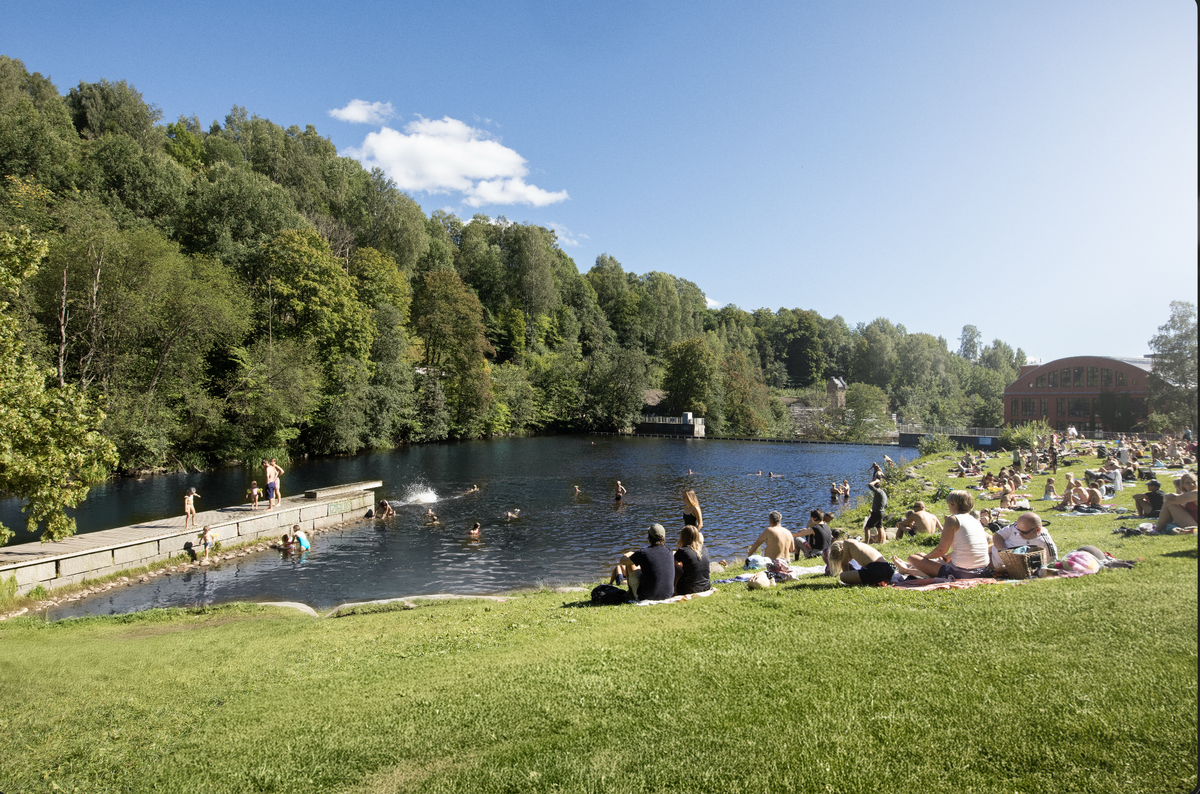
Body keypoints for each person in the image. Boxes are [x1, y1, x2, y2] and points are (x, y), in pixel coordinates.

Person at [892, 490, 990, 580]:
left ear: (955, 505)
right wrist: (945, 557)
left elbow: (941, 549)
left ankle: (905, 570)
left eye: (948, 504)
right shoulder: (974, 520)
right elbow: (970, 545)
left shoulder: (953, 520)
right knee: (921, 556)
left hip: (962, 572)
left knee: (913, 558)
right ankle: (908, 565)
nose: (948, 506)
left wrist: (926, 558)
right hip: (983, 570)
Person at [618, 524, 675, 602]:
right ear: (663, 538)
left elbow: (623, 561)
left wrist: (628, 554)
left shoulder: (643, 553)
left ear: (649, 538)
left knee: (630, 565)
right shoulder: (670, 552)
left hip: (646, 596)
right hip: (668, 594)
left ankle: (630, 594)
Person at [990, 511, 1058, 572]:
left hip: (1012, 570)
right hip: (991, 558)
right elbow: (997, 535)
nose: (1019, 533)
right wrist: (1004, 552)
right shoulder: (1016, 526)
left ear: (1038, 530)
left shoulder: (1045, 543)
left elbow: (1050, 567)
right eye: (1018, 529)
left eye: (1024, 532)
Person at [827, 539, 895, 586]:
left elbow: (845, 564)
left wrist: (847, 577)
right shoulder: (858, 544)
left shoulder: (847, 543)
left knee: (842, 576)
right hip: (887, 568)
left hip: (876, 570)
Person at [673, 524, 711, 595]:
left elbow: (672, 565)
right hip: (706, 586)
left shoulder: (682, 551)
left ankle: (674, 590)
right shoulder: (704, 548)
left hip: (688, 589)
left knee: (676, 566)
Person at [863, 478, 888, 543]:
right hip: (882, 512)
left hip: (877, 512)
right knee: (879, 527)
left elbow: (870, 485)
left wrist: (876, 480)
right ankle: (880, 543)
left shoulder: (878, 492)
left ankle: (866, 543)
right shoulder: (883, 492)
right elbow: (886, 505)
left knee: (867, 528)